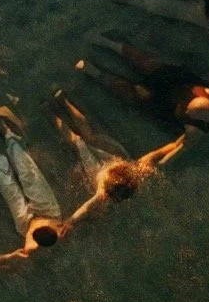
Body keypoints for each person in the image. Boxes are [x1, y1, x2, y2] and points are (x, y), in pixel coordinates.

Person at [78, 28, 209, 163]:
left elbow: (175, 149)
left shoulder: (194, 131)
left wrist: (152, 159)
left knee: (134, 92)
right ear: (201, 94)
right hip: (178, 81)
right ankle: (106, 42)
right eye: (188, 106)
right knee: (147, 63)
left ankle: (94, 72)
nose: (186, 110)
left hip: (164, 105)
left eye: (186, 112)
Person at [46, 89, 153, 228]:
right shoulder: (105, 191)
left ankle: (63, 101)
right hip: (100, 169)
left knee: (87, 136)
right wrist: (69, 221)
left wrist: (71, 221)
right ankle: (51, 112)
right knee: (78, 141)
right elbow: (86, 208)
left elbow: (86, 208)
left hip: (110, 163)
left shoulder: (128, 171)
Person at [0, 107, 63, 248]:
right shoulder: (58, 227)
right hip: (47, 211)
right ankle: (8, 134)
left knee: (6, 184)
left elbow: (25, 250)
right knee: (27, 171)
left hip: (25, 222)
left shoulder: (31, 242)